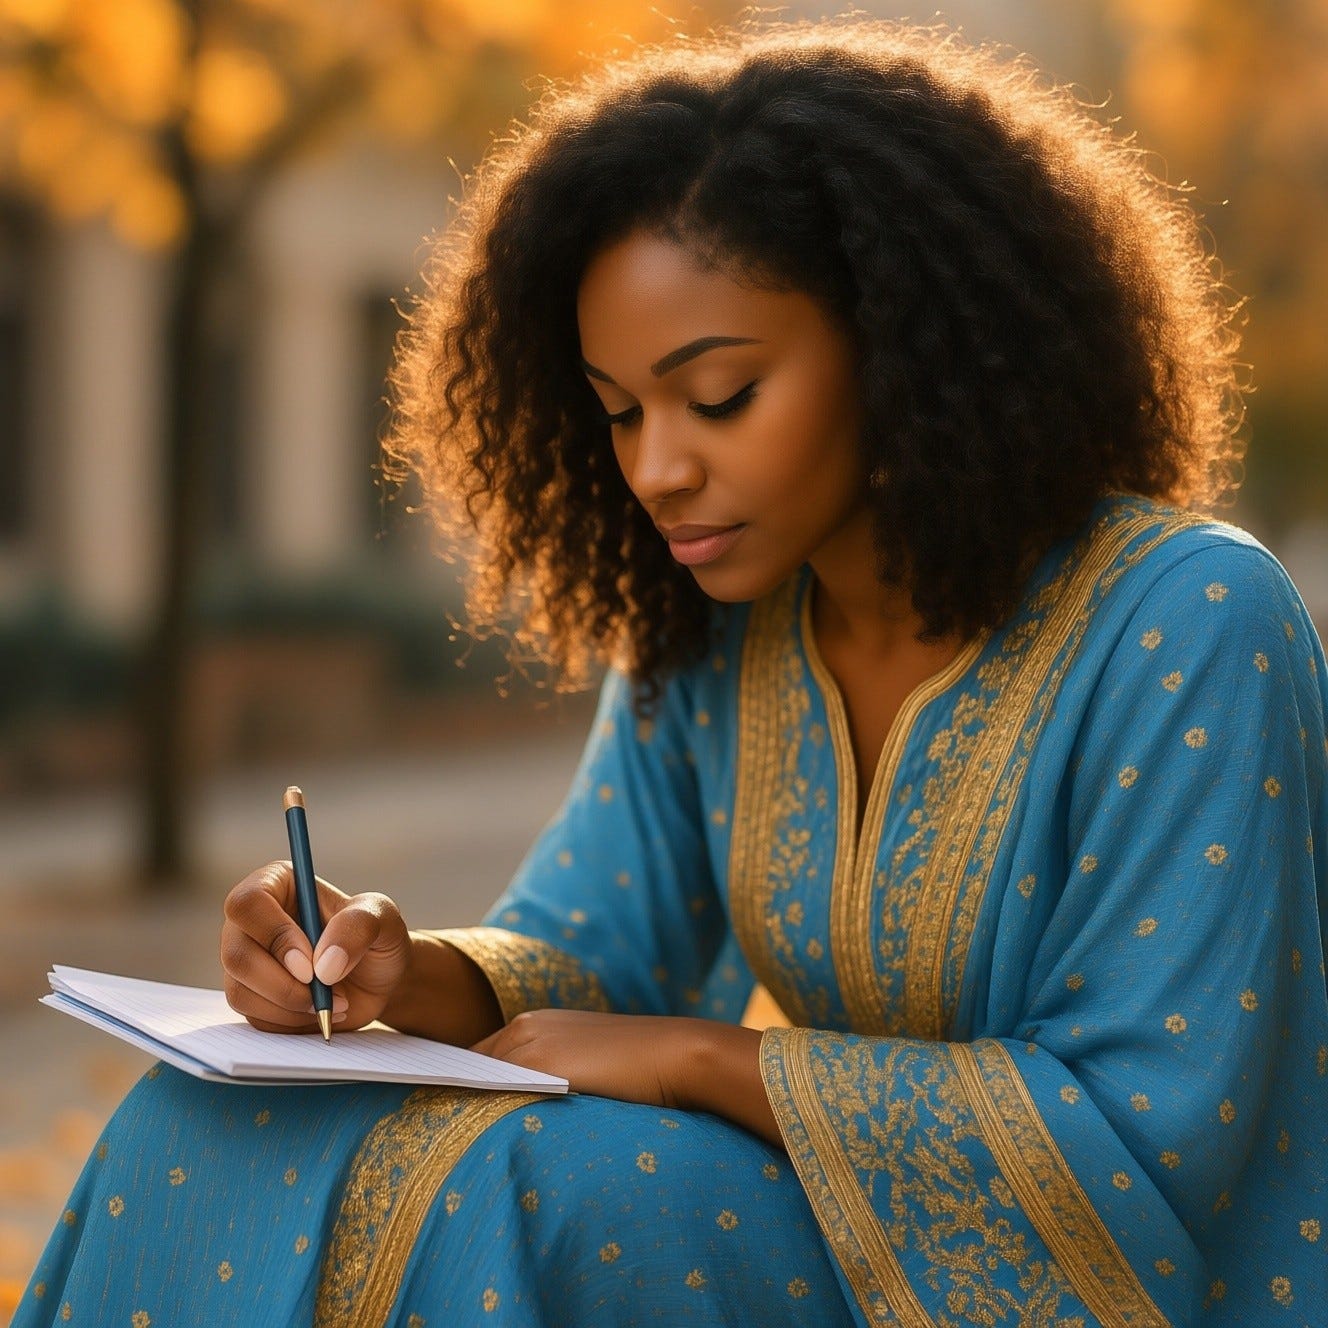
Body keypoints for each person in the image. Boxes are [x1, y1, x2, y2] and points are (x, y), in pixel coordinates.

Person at [17, 16, 1327, 1327]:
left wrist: (711, 1060)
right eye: (622, 411)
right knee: (201, 1118)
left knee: (556, 1182)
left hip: (1116, 1284)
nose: (655, 471)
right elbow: (591, 949)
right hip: (817, 1230)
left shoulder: (1193, 620)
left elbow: (1158, 1137)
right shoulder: (717, 630)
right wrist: (394, 976)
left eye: (719, 397)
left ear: (906, 345)